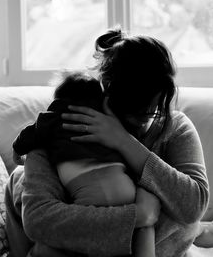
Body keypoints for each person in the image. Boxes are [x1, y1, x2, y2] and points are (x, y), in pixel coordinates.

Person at [5, 26, 210, 257]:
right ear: (107, 91)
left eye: (152, 111)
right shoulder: (67, 126)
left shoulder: (175, 127)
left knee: (184, 219)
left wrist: (124, 141)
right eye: (134, 111)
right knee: (19, 182)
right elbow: (39, 220)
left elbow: (193, 206)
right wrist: (139, 216)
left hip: (104, 246)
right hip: (136, 242)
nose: (143, 123)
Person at [12, 71, 155, 256]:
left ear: (58, 98)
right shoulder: (107, 120)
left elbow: (27, 137)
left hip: (88, 192)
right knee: (144, 228)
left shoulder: (53, 117)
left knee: (84, 234)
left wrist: (17, 156)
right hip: (125, 186)